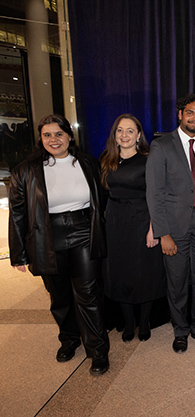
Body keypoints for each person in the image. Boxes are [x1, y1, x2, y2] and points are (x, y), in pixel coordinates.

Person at [9, 114, 110, 375]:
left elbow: (102, 200)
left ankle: (98, 351)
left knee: (88, 293)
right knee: (60, 295)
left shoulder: (87, 163)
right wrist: (19, 253)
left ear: (69, 136)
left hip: (83, 233)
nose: (53, 139)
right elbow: (18, 213)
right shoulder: (25, 170)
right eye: (47, 135)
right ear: (40, 139)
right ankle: (69, 339)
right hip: (46, 237)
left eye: (59, 134)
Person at [146, 94, 195, 353]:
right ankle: (180, 331)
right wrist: (162, 232)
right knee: (177, 282)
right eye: (190, 112)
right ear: (180, 114)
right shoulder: (162, 146)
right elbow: (154, 193)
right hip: (175, 226)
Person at [99, 114, 167, 342]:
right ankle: (128, 323)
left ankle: (144, 322)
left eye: (130, 130)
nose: (124, 135)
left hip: (142, 221)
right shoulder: (107, 159)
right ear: (114, 135)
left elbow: (156, 197)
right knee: (120, 273)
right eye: (120, 130)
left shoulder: (149, 160)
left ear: (138, 135)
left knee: (144, 273)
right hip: (116, 224)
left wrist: (153, 229)